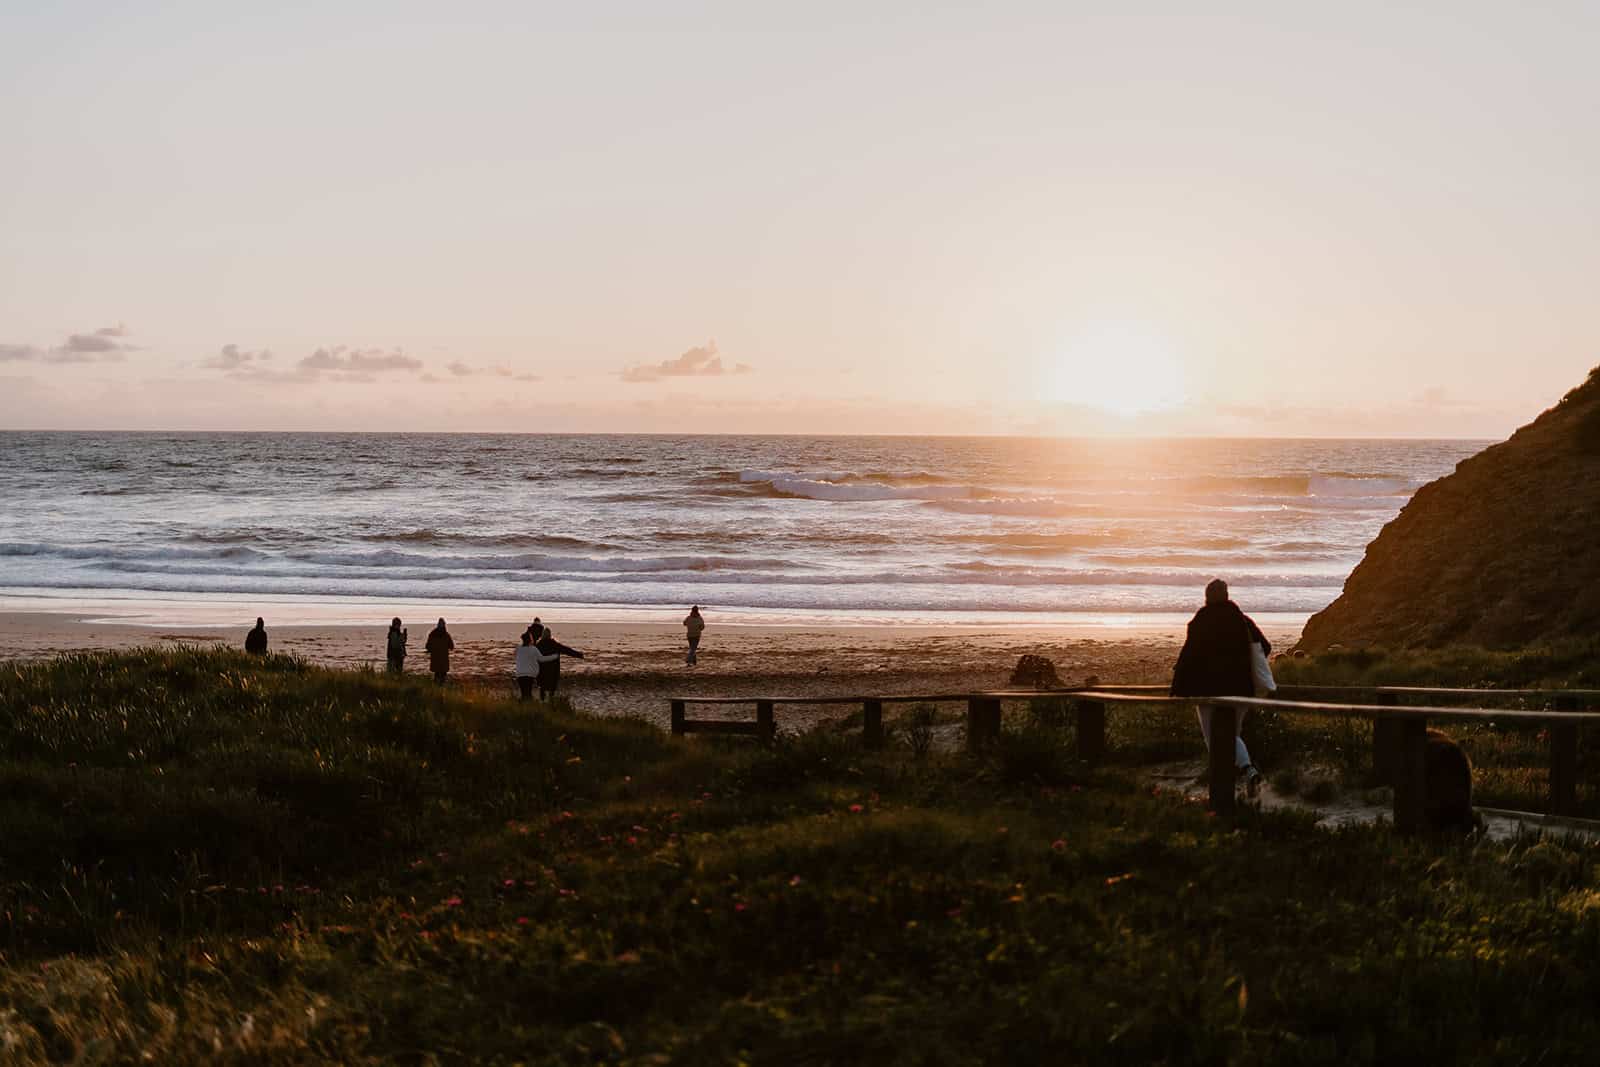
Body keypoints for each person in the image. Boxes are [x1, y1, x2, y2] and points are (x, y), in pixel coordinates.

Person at [1170, 579, 1268, 796]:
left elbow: (1188, 656)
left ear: (1207, 596)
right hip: (1241, 689)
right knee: (1233, 734)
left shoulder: (1201, 620)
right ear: (1226, 595)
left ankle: (1242, 773)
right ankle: (1246, 775)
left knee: (1213, 738)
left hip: (1207, 690)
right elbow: (1266, 647)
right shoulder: (1243, 620)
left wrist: (1178, 686)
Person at [535, 627, 584, 701]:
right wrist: (578, 654)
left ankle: (542, 700)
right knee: (552, 687)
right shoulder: (555, 644)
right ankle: (551, 700)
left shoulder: (538, 645)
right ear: (550, 635)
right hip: (553, 670)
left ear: (542, 635)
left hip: (542, 670)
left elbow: (531, 656)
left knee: (542, 686)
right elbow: (566, 650)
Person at [514, 630, 555, 701]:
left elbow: (517, 656)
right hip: (529, 674)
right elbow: (542, 659)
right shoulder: (533, 649)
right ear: (530, 639)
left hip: (519, 673)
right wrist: (554, 656)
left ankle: (523, 707)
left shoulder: (518, 648)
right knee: (528, 693)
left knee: (524, 693)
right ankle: (528, 708)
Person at [425, 618, 455, 685]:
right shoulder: (446, 635)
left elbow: (427, 646)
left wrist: (431, 649)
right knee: (441, 676)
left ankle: (438, 689)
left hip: (438, 659)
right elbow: (451, 646)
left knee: (438, 676)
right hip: (442, 659)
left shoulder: (433, 634)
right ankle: (440, 689)